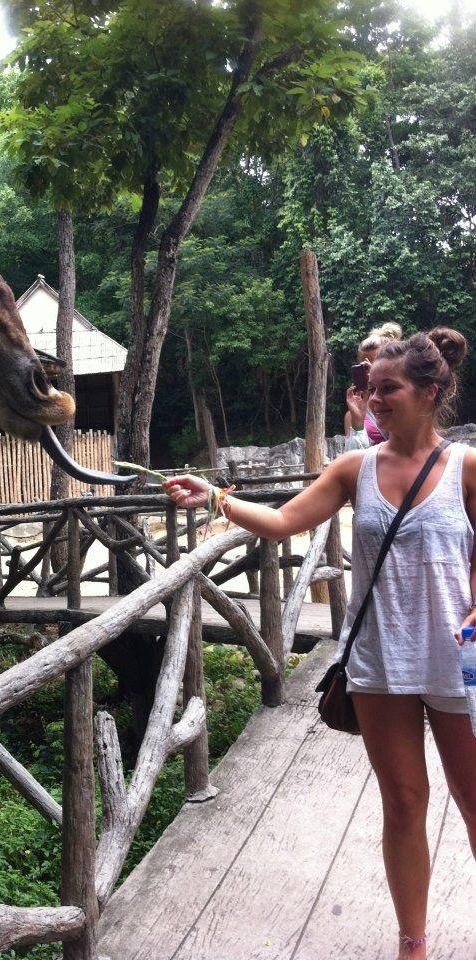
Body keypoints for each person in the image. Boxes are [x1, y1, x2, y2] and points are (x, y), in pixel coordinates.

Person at [164, 327, 476, 960]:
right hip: (379, 661)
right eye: (370, 389)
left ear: (432, 391)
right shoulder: (354, 468)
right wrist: (218, 497)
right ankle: (413, 942)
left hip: (458, 661)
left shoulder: (467, 469)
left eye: (388, 389)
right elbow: (282, 523)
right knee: (403, 804)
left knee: (474, 805)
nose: (373, 401)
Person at [345, 321, 403, 449]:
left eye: (377, 364)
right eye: (365, 366)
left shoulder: (404, 402)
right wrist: (358, 423)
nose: (370, 372)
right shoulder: (353, 413)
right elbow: (353, 457)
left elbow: (406, 444)